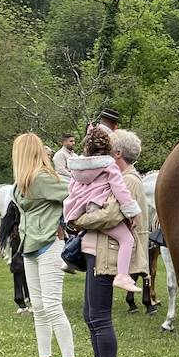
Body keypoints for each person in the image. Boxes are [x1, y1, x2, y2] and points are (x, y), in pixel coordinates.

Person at [72, 128, 149, 357]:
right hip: (97, 251)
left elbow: (111, 216)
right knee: (90, 314)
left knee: (100, 317)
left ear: (117, 154)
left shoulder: (128, 180)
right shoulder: (108, 177)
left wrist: (75, 219)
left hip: (110, 255)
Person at [11, 132, 81, 357]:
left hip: (49, 243)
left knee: (51, 305)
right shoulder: (23, 182)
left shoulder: (42, 179)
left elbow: (73, 191)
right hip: (30, 246)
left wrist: (65, 220)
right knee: (38, 307)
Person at [64, 126, 142, 295]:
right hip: (97, 205)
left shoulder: (77, 168)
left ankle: (69, 260)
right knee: (127, 239)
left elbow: (72, 188)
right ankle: (122, 276)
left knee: (85, 231)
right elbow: (120, 189)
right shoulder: (109, 166)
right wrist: (132, 212)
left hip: (81, 207)